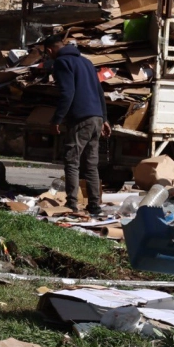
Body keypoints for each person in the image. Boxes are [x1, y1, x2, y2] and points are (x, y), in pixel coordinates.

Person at [45, 31, 107, 216]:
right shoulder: (87, 62)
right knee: (91, 164)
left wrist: (57, 119)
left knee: (72, 161)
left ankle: (72, 204)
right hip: (96, 118)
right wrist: (105, 118)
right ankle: (94, 206)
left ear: (50, 50)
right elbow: (99, 91)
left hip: (80, 118)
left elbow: (67, 93)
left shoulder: (62, 63)